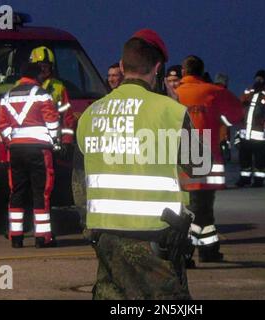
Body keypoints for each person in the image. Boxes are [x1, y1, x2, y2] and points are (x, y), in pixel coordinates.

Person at [76, 29, 201, 300]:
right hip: (157, 241)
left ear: (122, 67)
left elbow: (78, 183)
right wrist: (178, 105)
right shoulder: (170, 111)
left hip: (106, 240)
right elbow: (198, 165)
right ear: (157, 68)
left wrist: (91, 232)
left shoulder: (91, 114)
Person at [176, 55, 244, 262]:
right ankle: (185, 252)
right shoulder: (214, 92)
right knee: (202, 210)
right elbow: (236, 115)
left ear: (183, 72)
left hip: (179, 160)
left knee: (197, 211)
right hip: (207, 158)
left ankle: (208, 250)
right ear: (202, 71)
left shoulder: (173, 94)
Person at [0, 63, 60, 249]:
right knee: (41, 191)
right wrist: (55, 141)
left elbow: (2, 125)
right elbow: (52, 121)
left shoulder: (7, 96)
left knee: (16, 191)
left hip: (15, 150)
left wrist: (12, 141)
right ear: (37, 76)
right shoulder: (41, 94)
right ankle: (43, 237)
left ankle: (15, 236)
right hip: (39, 149)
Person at [30, 46, 75, 155]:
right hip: (29, 143)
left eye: (47, 66)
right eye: (40, 66)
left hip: (52, 143)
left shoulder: (58, 87)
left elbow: (67, 117)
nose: (43, 69)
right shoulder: (23, 85)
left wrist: (67, 141)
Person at [235, 70, 265, 188]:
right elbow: (239, 104)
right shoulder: (249, 90)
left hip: (260, 134)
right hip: (245, 132)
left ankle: (259, 180)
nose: (258, 80)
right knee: (244, 158)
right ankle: (244, 179)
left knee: (260, 159)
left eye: (261, 79)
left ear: (264, 80)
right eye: (257, 78)